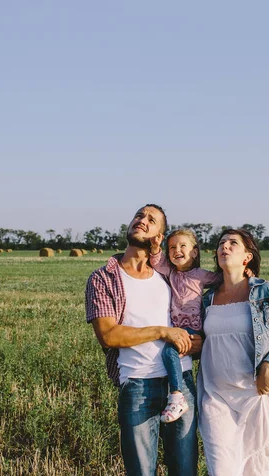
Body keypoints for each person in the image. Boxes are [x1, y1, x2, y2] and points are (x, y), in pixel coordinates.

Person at [85, 204, 200, 476]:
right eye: (139, 215)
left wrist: (198, 342)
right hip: (137, 386)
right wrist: (162, 331)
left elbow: (194, 314)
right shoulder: (104, 279)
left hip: (180, 382)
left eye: (151, 220)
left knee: (185, 471)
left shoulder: (169, 275)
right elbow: (109, 336)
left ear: (160, 236)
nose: (142, 220)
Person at [197, 228, 269, 475]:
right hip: (216, 396)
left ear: (247, 257)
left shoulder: (267, 292)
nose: (224, 246)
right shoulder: (207, 299)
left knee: (258, 469)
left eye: (232, 243)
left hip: (255, 394)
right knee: (222, 469)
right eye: (221, 243)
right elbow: (202, 341)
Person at [149, 229, 222, 423]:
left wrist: (243, 271)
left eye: (183, 246)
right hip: (177, 327)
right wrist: (156, 247)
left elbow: (222, 279)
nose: (177, 250)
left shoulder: (201, 275)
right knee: (169, 353)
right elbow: (157, 262)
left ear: (195, 252)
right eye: (172, 247)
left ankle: (177, 396)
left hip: (193, 327)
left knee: (169, 353)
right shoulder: (170, 272)